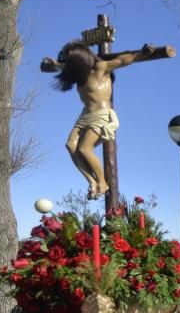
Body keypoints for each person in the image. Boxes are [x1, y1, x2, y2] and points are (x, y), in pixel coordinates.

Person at [45, 41, 155, 199]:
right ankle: (92, 181)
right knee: (70, 146)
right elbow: (59, 67)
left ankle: (102, 183)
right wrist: (53, 63)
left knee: (84, 149)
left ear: (79, 59)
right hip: (84, 116)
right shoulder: (78, 74)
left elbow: (122, 60)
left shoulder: (101, 68)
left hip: (101, 114)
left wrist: (140, 54)